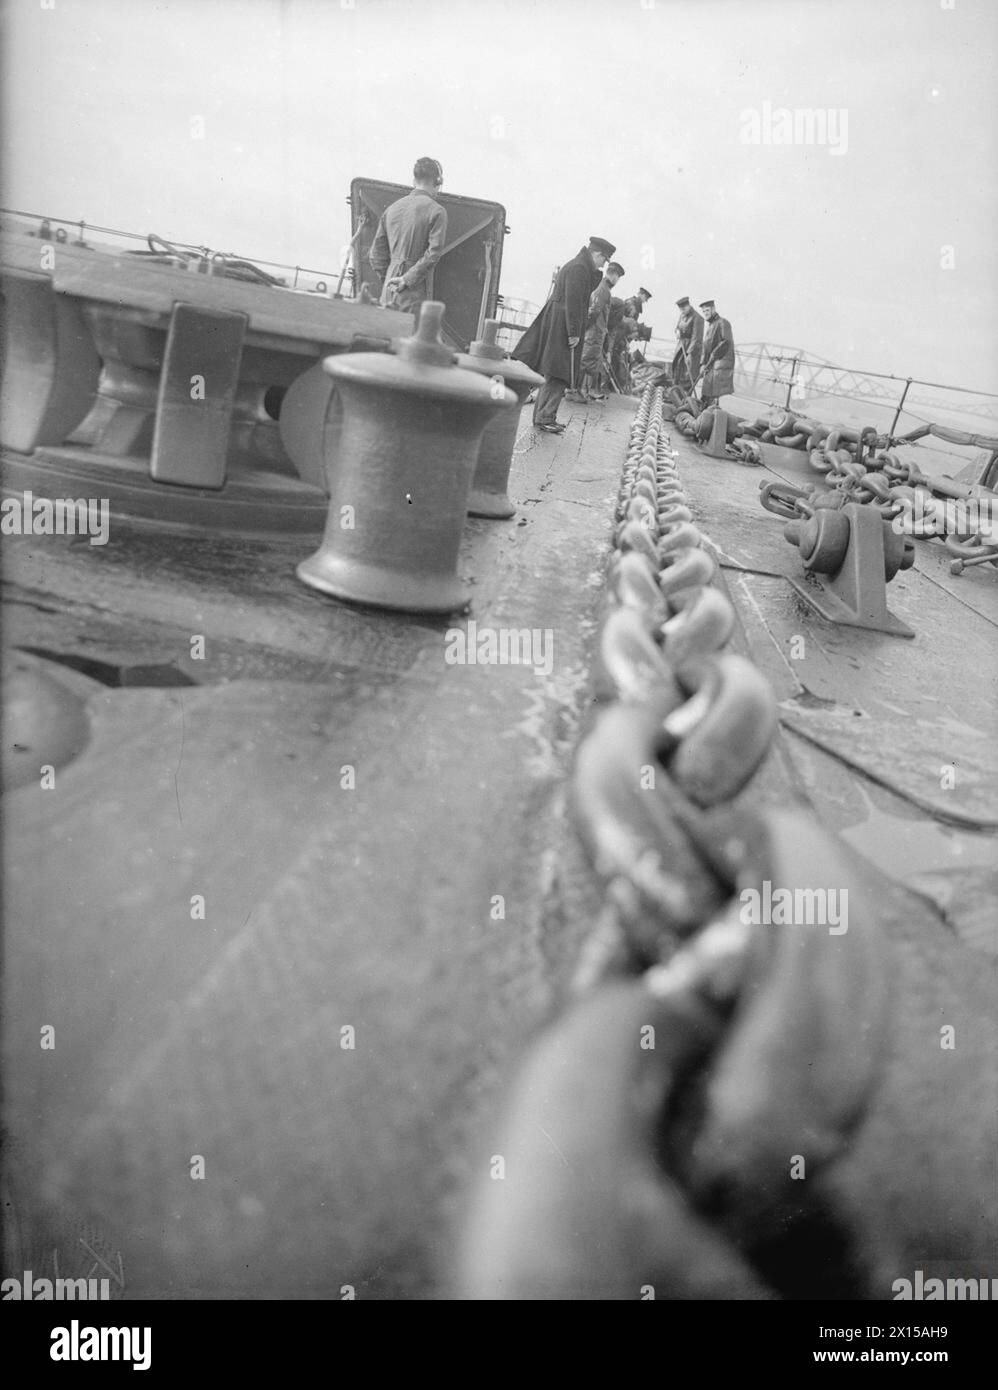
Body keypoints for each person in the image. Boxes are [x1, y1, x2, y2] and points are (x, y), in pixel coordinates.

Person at [512, 237, 616, 433]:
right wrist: (574, 333)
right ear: (597, 254)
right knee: (560, 372)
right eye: (604, 259)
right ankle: (545, 417)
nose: (603, 265)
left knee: (553, 371)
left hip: (559, 323)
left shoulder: (580, 266)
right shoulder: (579, 269)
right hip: (564, 325)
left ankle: (543, 416)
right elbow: (574, 303)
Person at [368, 157, 448, 313]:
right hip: (413, 293)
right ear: (438, 181)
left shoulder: (391, 209)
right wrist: (405, 280)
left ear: (414, 180)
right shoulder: (437, 211)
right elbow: (433, 254)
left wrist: (390, 279)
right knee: (410, 336)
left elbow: (375, 255)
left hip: (388, 291)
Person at [577, 261, 624, 402]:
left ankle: (580, 391)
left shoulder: (604, 289)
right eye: (617, 277)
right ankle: (574, 391)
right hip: (594, 333)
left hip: (596, 332)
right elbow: (593, 311)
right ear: (613, 275)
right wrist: (587, 328)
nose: (617, 280)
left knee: (589, 362)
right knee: (585, 361)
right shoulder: (604, 290)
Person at [697, 300, 735, 409]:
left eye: (707, 310)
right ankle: (703, 413)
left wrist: (713, 355)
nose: (706, 313)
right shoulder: (711, 325)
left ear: (713, 309)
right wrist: (702, 364)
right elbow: (706, 347)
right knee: (706, 392)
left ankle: (708, 415)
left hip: (719, 364)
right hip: (711, 364)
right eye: (704, 311)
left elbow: (726, 341)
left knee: (712, 393)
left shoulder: (723, 322)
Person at [672, 296, 704, 394]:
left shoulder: (697, 318)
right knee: (677, 370)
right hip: (681, 347)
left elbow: (696, 338)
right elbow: (677, 328)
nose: (682, 311)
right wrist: (677, 331)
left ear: (689, 306)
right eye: (681, 310)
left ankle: (684, 397)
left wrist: (690, 354)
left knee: (687, 374)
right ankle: (675, 395)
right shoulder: (682, 315)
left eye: (684, 309)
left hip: (691, 350)